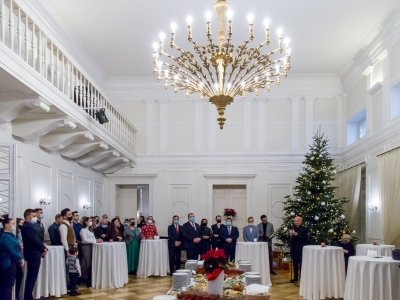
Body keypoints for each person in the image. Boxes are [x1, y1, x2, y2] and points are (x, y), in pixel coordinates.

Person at [21, 209, 47, 300]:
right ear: (28, 216)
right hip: (33, 254)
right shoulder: (28, 226)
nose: (35, 218)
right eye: (33, 216)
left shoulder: (30, 226)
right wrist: (43, 248)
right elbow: (34, 240)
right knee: (31, 277)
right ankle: (28, 297)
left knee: (32, 277)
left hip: (33, 253)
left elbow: (37, 239)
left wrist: (43, 247)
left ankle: (29, 296)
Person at [0, 217, 24, 300]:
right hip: (8, 263)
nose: (14, 225)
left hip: (12, 262)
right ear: (6, 225)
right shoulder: (5, 236)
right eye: (12, 223)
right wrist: (20, 259)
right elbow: (12, 250)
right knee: (6, 287)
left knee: (9, 286)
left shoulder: (10, 235)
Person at [80, 217, 102, 288]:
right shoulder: (83, 230)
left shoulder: (90, 230)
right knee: (87, 264)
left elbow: (92, 238)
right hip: (86, 247)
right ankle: (80, 276)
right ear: (86, 222)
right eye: (89, 221)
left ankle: (86, 278)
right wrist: (95, 241)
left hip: (92, 246)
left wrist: (97, 240)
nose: (91, 222)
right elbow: (85, 240)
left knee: (90, 264)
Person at [289, 216, 308, 283]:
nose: (295, 222)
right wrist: (291, 235)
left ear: (300, 221)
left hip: (301, 248)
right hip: (294, 248)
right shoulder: (293, 228)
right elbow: (291, 239)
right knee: (295, 263)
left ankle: (302, 277)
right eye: (295, 221)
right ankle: (295, 277)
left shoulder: (304, 229)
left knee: (302, 263)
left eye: (297, 221)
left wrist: (297, 235)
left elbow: (305, 238)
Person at [15, 218, 24, 300]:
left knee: (19, 276)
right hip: (16, 257)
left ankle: (17, 295)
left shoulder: (21, 233)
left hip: (20, 256)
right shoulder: (14, 234)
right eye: (21, 223)